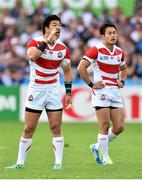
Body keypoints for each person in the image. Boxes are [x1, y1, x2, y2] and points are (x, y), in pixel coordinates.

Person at [6, 14, 73, 170]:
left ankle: (58, 163)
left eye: (60, 25)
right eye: (55, 25)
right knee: (29, 128)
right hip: (36, 90)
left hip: (54, 91)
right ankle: (20, 163)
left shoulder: (63, 48)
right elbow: (32, 56)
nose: (58, 28)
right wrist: (45, 42)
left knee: (56, 127)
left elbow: (68, 71)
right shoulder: (35, 42)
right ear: (46, 28)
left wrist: (68, 93)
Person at [77, 23, 127, 165]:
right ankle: (105, 157)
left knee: (119, 127)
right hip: (101, 92)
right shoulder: (96, 50)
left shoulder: (119, 52)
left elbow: (124, 69)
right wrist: (91, 84)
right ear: (103, 36)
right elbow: (81, 68)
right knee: (104, 125)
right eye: (110, 33)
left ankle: (97, 146)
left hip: (115, 92)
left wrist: (122, 81)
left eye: (114, 33)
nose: (113, 36)